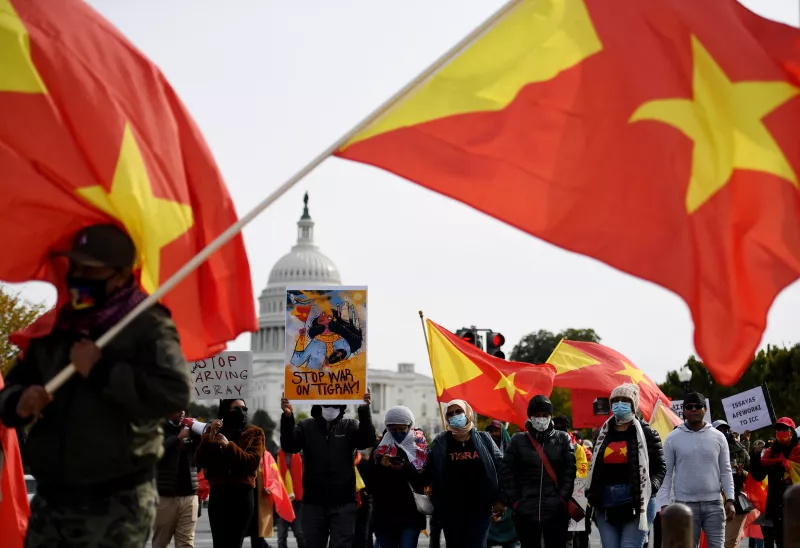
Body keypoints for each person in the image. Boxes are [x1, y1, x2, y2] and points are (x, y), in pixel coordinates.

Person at [0, 224, 190, 548]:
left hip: (117, 501)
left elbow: (173, 392)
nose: (78, 275)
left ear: (118, 275)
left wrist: (101, 370)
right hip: (53, 500)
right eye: (75, 266)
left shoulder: (147, 325)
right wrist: (18, 400)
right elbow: (10, 388)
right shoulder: (56, 325)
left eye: (91, 269)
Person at [280, 392, 376, 548]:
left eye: (335, 403)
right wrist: (288, 417)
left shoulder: (350, 425)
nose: (330, 406)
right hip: (314, 503)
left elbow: (367, 441)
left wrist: (364, 410)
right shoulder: (305, 426)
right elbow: (289, 446)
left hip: (344, 503)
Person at [586, 383, 665, 548]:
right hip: (606, 505)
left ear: (633, 405)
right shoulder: (602, 434)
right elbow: (594, 468)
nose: (619, 405)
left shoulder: (647, 433)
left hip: (637, 503)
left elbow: (660, 467)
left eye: (624, 401)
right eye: (615, 401)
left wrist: (651, 488)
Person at [656, 392, 735, 548]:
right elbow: (667, 474)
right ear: (684, 411)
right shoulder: (672, 438)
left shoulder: (719, 437)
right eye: (689, 407)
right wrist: (664, 504)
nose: (694, 409)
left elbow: (726, 470)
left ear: (705, 410)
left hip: (714, 504)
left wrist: (731, 500)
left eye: (698, 406)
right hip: (684, 506)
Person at [424, 399, 505, 548]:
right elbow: (428, 472)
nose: (455, 416)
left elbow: (501, 468)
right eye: (450, 414)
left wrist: (501, 499)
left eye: (458, 411)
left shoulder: (484, 439)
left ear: (467, 413)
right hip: (451, 510)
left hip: (480, 509)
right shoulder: (440, 442)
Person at [502, 395, 576, 548]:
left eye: (545, 415)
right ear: (530, 416)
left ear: (550, 416)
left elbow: (569, 472)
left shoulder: (563, 439)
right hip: (525, 511)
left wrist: (561, 499)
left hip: (555, 511)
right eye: (537, 415)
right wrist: (516, 503)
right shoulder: (517, 440)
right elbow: (507, 473)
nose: (541, 419)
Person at [196, 399, 266, 548]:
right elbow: (200, 459)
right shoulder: (213, 432)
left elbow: (252, 462)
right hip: (219, 495)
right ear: (225, 411)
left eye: (244, 408)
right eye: (236, 409)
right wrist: (211, 436)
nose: (241, 412)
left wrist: (229, 446)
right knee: (220, 543)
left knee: (235, 543)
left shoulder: (254, 433)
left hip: (242, 496)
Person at [368, 406, 427, 548]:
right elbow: (370, 481)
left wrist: (405, 467)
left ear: (410, 426)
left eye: (402, 429)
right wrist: (382, 466)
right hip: (384, 516)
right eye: (393, 429)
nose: (398, 433)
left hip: (411, 515)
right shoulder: (380, 448)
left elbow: (424, 480)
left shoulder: (419, 447)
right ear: (388, 428)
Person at [749, 417, 800, 548]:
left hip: (797, 505)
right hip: (777, 506)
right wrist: (755, 455)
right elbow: (758, 475)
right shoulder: (771, 453)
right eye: (778, 430)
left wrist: (789, 466)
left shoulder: (799, 450)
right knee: (782, 542)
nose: (781, 432)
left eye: (784, 429)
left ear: (792, 432)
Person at [153, 411, 201, 548]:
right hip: (165, 497)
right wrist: (178, 438)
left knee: (186, 543)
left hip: (189, 496)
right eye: (177, 410)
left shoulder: (191, 430)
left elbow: (202, 454)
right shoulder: (158, 429)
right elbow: (156, 452)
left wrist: (199, 431)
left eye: (183, 410)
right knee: (160, 542)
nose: (182, 413)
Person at [712, 420, 750, 548]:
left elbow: (753, 474)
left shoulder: (740, 450)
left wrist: (741, 472)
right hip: (712, 499)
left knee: (730, 542)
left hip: (737, 499)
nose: (723, 432)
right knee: (720, 541)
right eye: (719, 429)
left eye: (725, 429)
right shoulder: (706, 448)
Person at [276, 449, 306, 548]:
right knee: (281, 536)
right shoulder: (277, 455)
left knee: (300, 534)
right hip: (282, 500)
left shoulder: (301, 455)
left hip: (297, 501)